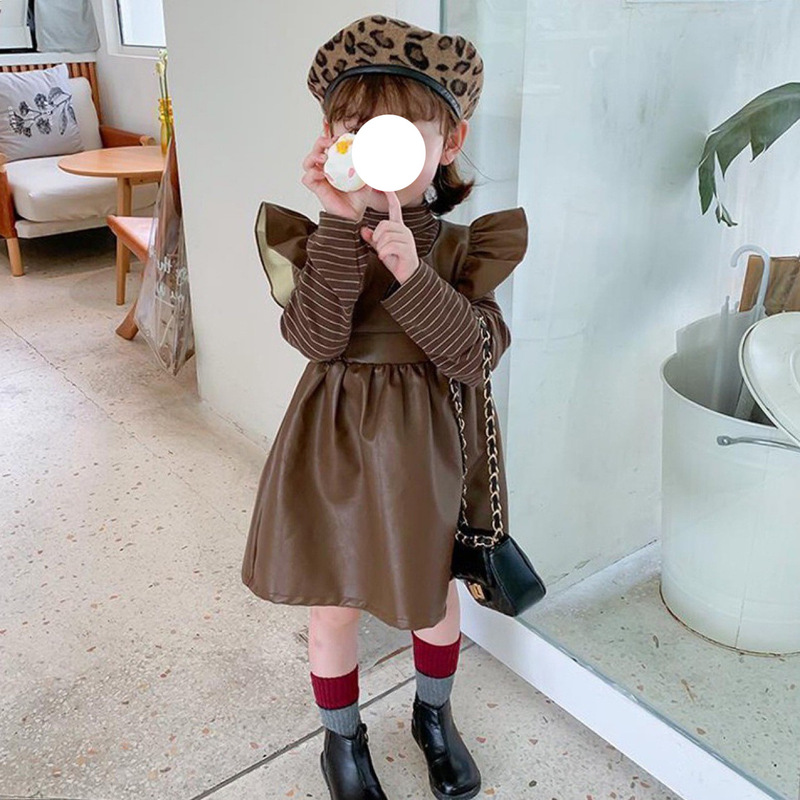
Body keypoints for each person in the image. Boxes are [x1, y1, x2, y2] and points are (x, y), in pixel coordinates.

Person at [241, 14, 528, 800]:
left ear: (449, 141)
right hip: (330, 446)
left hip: (423, 454)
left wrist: (414, 276)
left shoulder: (463, 248)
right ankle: (342, 742)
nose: (377, 150)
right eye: (357, 131)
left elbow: (473, 356)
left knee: (430, 600)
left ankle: (434, 716)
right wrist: (340, 224)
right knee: (333, 607)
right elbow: (314, 338)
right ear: (332, 141)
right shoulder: (317, 238)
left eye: (402, 133)